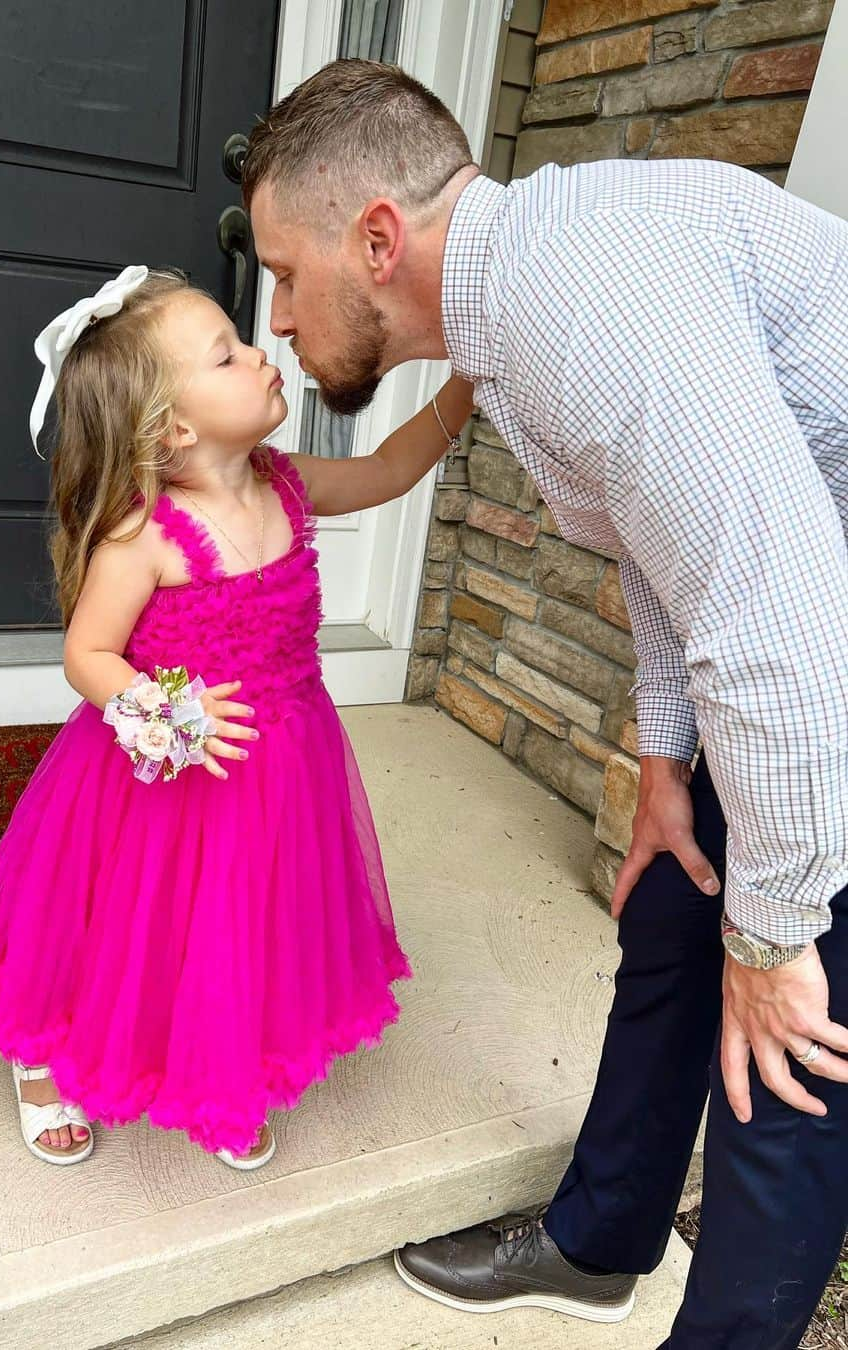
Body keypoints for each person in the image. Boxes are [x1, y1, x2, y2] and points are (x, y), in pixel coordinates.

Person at [243, 58, 848, 1346]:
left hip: (824, 653)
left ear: (378, 239)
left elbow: (779, 618)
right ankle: (601, 1239)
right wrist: (670, 761)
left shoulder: (588, 305)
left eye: (286, 275)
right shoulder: (518, 306)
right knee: (679, 907)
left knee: (788, 1049)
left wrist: (780, 927)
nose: (280, 318)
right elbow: (664, 543)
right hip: (803, 619)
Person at [0, 264, 474, 1168]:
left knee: (247, 917)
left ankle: (227, 1068)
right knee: (120, 920)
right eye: (228, 353)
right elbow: (88, 656)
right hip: (169, 766)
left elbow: (386, 469)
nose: (262, 355)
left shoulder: (287, 486)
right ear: (174, 425)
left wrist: (467, 381)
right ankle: (41, 1057)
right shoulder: (147, 535)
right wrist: (167, 713)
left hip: (284, 754)